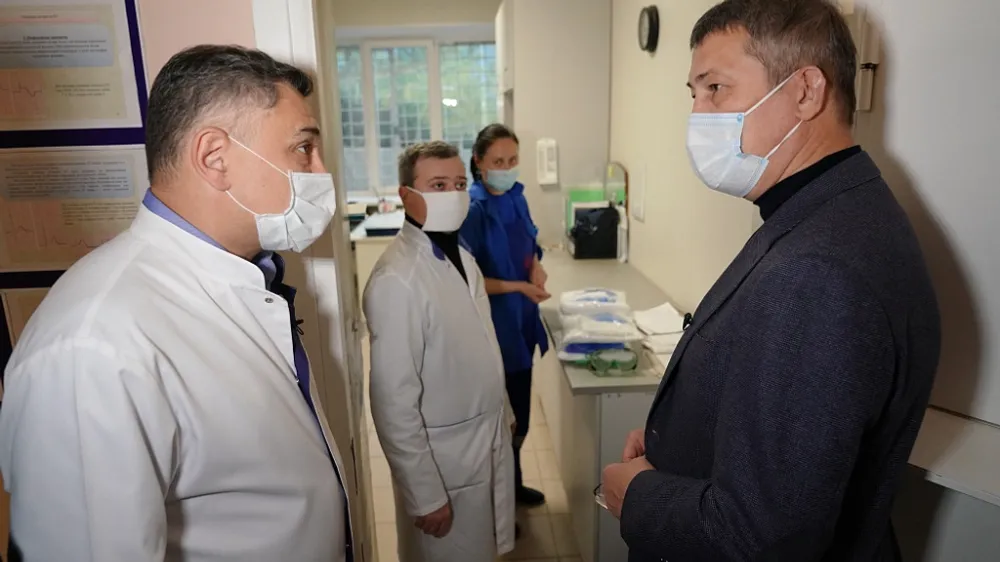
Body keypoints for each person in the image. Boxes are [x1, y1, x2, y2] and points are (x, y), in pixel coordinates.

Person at [600, 1, 941, 561]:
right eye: (693, 94)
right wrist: (677, 441)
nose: (697, 115)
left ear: (805, 91)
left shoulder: (819, 271)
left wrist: (639, 496)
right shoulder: (830, 212)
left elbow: (768, 536)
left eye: (715, 89)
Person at [0, 45, 353, 562]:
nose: (320, 171)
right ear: (214, 158)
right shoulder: (92, 347)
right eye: (303, 149)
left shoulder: (246, 277)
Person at [363, 141, 516, 562]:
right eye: (438, 185)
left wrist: (502, 407)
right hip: (443, 462)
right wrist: (424, 493)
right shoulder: (397, 280)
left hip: (482, 436)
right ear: (406, 195)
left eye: (460, 184)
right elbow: (393, 402)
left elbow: (482, 345)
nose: (453, 194)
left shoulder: (462, 258)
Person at [458, 123, 550, 508]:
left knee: (521, 418)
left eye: (512, 160)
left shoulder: (516, 197)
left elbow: (529, 244)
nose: (507, 168)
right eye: (498, 162)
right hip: (494, 329)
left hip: (521, 323)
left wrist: (536, 268)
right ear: (479, 163)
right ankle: (497, 504)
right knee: (501, 422)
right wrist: (518, 288)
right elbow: (468, 279)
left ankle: (513, 486)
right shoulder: (472, 210)